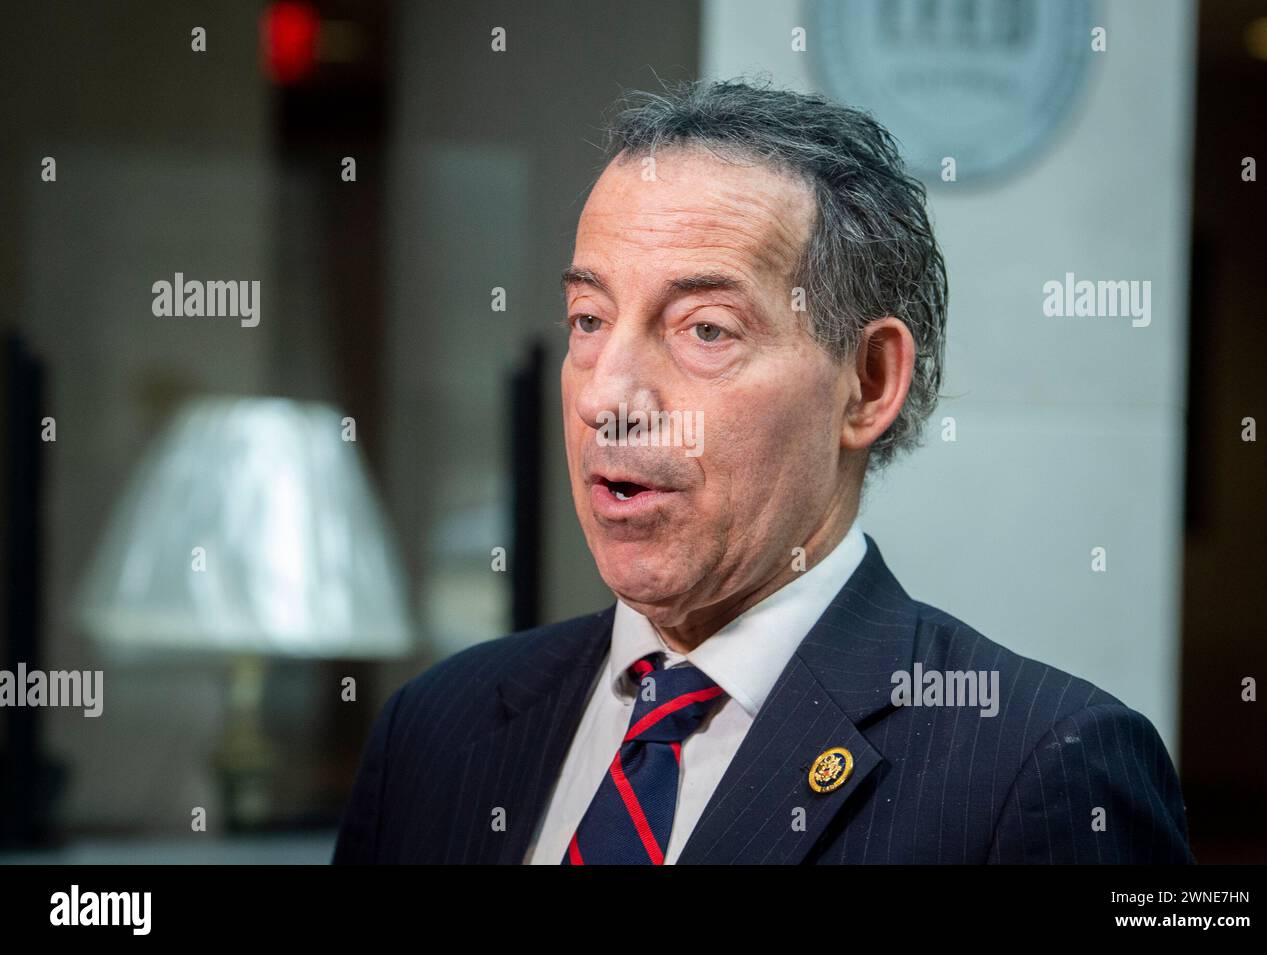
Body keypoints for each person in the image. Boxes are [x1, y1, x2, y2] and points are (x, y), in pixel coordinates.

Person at [333, 79, 1193, 865]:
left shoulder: (1044, 766)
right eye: (589, 318)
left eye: (705, 328)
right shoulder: (436, 728)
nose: (608, 395)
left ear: (868, 383)